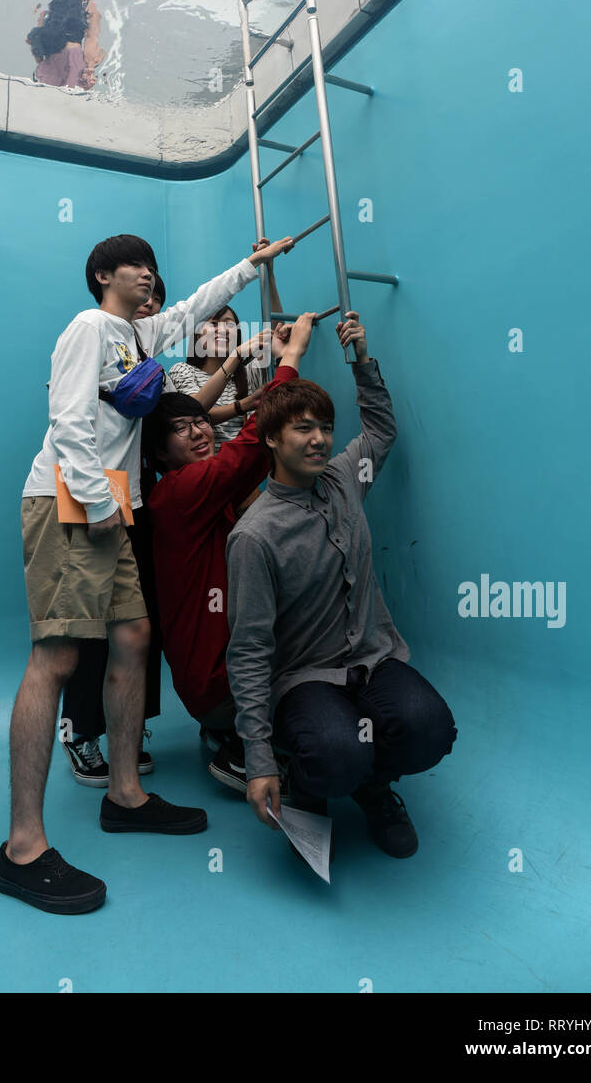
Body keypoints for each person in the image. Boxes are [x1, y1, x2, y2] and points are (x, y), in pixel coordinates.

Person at [0, 231, 295, 915]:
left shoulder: (138, 335)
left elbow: (195, 308)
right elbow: (67, 417)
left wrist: (252, 266)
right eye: (137, 267)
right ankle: (21, 848)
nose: (150, 277)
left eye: (155, 269)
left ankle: (125, 796)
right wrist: (100, 503)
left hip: (111, 504)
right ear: (104, 274)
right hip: (71, 499)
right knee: (58, 656)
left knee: (132, 639)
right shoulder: (91, 326)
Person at [225, 312, 458, 861]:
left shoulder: (344, 479)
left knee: (430, 729)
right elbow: (249, 651)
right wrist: (257, 758)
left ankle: (375, 790)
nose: (319, 439)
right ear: (271, 439)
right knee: (335, 754)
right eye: (302, 428)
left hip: (372, 658)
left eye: (324, 427)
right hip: (305, 678)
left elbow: (380, 432)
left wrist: (361, 360)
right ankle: (310, 781)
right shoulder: (253, 537)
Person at [143, 316, 315, 792]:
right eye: (181, 430)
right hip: (223, 685)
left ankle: (225, 732)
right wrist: (291, 359)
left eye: (200, 421)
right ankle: (241, 749)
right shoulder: (183, 489)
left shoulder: (197, 492)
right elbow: (251, 446)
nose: (199, 432)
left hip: (210, 684)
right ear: (159, 456)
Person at [59, 274, 167, 787]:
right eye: (142, 300)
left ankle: (132, 728)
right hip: (98, 497)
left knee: (141, 628)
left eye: (156, 304)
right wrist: (96, 501)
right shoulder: (93, 337)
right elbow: (70, 421)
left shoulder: (153, 363)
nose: (148, 308)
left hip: (138, 499)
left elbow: (193, 415)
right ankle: (81, 731)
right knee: (88, 629)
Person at [167, 239, 282, 445]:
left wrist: (269, 273)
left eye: (228, 324)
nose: (222, 330)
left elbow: (278, 333)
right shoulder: (183, 370)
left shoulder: (248, 373)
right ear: (196, 335)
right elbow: (196, 412)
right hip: (205, 469)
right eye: (212, 324)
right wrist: (244, 402)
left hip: (244, 470)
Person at [25, 0, 106, 90]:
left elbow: (92, 37)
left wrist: (89, 68)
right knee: (47, 98)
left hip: (72, 59)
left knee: (66, 100)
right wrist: (40, 57)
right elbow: (37, 40)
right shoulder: (48, 8)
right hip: (52, 61)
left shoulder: (87, 4)